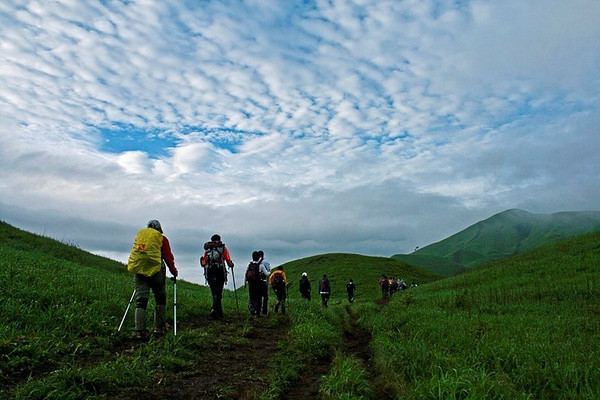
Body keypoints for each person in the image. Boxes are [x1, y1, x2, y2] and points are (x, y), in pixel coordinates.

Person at [128, 220, 178, 339]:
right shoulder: (162, 239)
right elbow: (167, 257)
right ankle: (159, 328)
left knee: (141, 300)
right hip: (157, 271)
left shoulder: (141, 237)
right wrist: (173, 271)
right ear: (159, 228)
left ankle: (140, 331)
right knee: (160, 298)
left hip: (140, 270)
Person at [201, 234, 234, 319]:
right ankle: (214, 310)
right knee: (218, 293)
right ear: (219, 240)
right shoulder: (223, 248)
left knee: (214, 293)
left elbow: (204, 261)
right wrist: (231, 265)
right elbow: (228, 261)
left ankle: (219, 313)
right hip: (220, 271)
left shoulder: (207, 249)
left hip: (210, 271)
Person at [245, 251, 263, 316]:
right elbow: (266, 273)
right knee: (258, 297)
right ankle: (257, 312)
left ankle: (251, 306)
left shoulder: (249, 265)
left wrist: (245, 283)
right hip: (258, 283)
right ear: (258, 257)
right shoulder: (260, 265)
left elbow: (246, 273)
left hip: (250, 283)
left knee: (252, 296)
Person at [257, 250, 271, 315]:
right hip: (263, 281)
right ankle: (264, 311)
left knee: (258, 296)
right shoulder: (265, 262)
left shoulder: (255, 262)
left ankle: (256, 310)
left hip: (256, 282)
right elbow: (268, 271)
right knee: (265, 296)